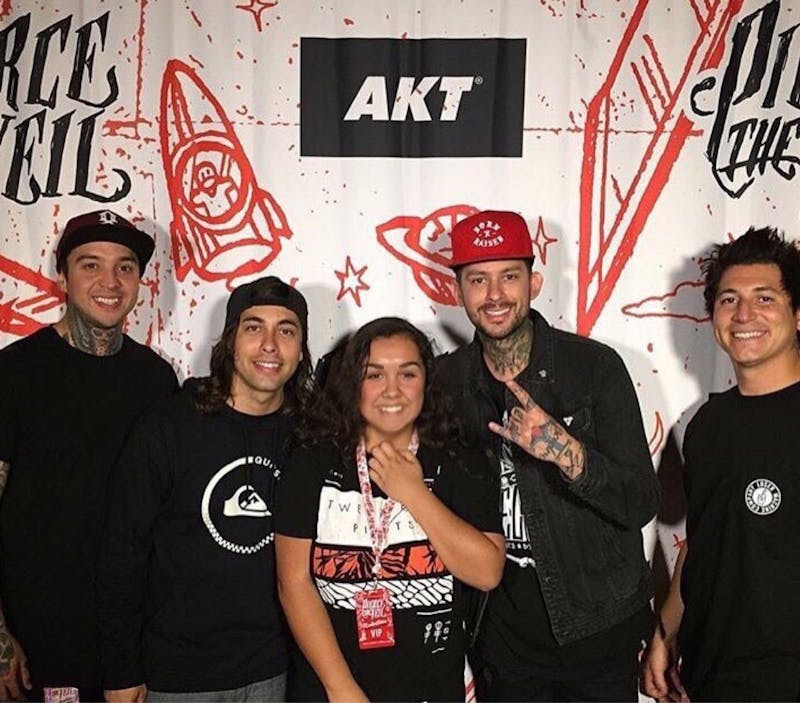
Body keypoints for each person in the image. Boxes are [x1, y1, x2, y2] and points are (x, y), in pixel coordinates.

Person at [437, 210, 659, 701]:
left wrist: (568, 453)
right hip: (501, 641)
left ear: (534, 282)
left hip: (598, 630)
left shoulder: (594, 368)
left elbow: (640, 501)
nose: (494, 295)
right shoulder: (444, 383)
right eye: (478, 279)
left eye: (509, 276)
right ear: (458, 292)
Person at [98, 276, 314, 702]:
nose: (270, 344)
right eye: (254, 327)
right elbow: (122, 552)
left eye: (286, 330)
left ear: (302, 349)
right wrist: (120, 670)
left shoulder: (310, 435)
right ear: (230, 341)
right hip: (180, 676)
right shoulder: (169, 427)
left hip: (278, 672)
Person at [275, 317, 505, 702]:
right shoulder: (313, 460)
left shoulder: (459, 460)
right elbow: (293, 582)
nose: (392, 390)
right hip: (332, 692)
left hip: (430, 690)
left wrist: (414, 493)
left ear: (426, 383)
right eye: (375, 375)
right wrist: (341, 688)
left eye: (408, 374)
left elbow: (486, 572)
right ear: (353, 384)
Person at [0, 210, 178, 702]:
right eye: (90, 264)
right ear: (63, 275)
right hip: (36, 643)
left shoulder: (158, 380)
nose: (109, 281)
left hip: (133, 642)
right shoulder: (13, 374)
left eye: (125, 267)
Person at [641, 227, 800, 702]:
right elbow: (705, 541)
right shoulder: (706, 425)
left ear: (797, 315)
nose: (745, 313)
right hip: (709, 676)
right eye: (729, 300)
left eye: (764, 298)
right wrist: (667, 632)